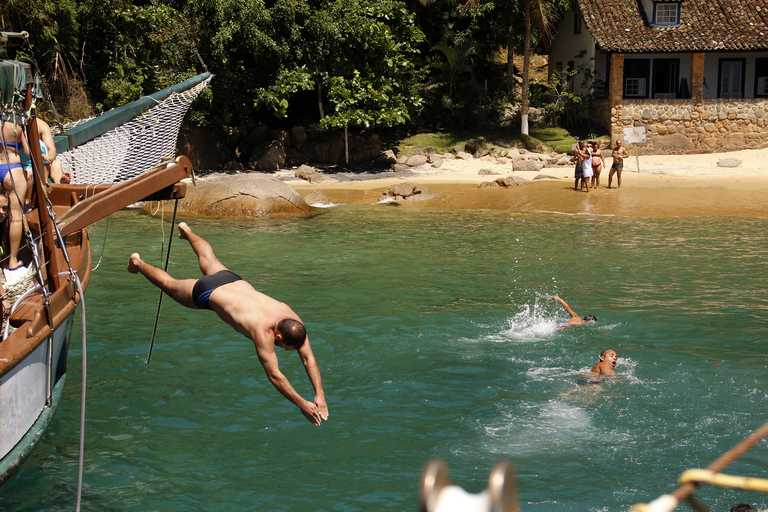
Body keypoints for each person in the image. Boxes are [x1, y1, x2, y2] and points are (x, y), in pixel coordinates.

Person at [127, 222, 329, 426]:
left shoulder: (291, 318)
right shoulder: (263, 332)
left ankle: (186, 231)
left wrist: (319, 395)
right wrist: (301, 403)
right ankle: (138, 263)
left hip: (232, 281)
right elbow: (275, 375)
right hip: (208, 293)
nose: (284, 350)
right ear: (278, 336)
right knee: (169, 284)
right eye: (284, 347)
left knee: (209, 258)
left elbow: (307, 357)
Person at [0, 117, 30, 270]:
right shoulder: (17, 124)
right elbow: (28, 152)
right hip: (12, 169)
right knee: (16, 217)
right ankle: (12, 261)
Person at [20, 118, 70, 184]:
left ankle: (60, 182)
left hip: (44, 163)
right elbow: (27, 152)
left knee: (56, 164)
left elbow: (51, 149)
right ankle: (49, 183)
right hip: (24, 166)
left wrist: (48, 162)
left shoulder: (41, 124)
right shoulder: (16, 126)